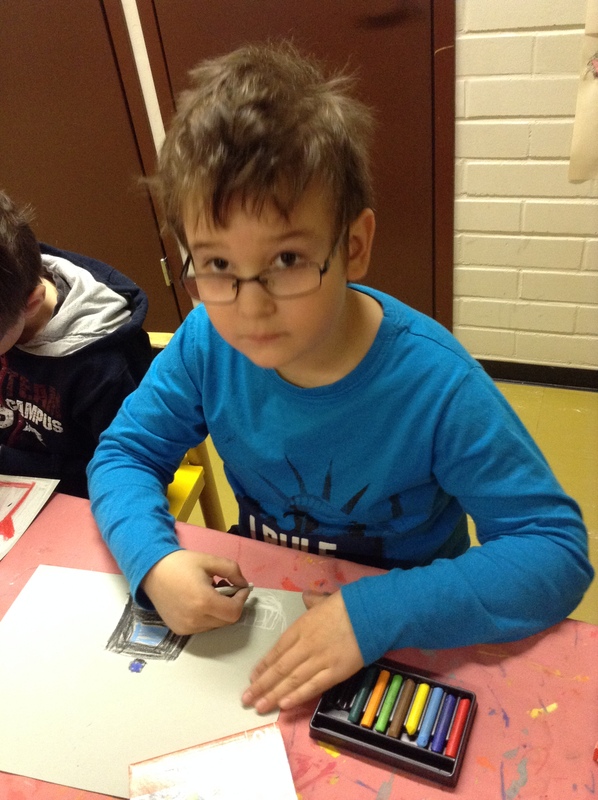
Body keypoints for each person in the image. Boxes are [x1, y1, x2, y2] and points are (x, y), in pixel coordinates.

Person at [87, 42, 593, 714]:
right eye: (216, 265)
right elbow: (124, 453)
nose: (250, 306)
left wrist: (376, 611)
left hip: (409, 638)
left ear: (353, 246)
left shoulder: (436, 385)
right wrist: (154, 561)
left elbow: (554, 552)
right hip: (269, 618)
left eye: (287, 259)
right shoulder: (206, 342)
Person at [0, 190, 153, 497]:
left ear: (31, 304)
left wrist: (11, 462)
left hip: (77, 497)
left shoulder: (105, 368)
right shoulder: (10, 300)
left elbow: (127, 471)